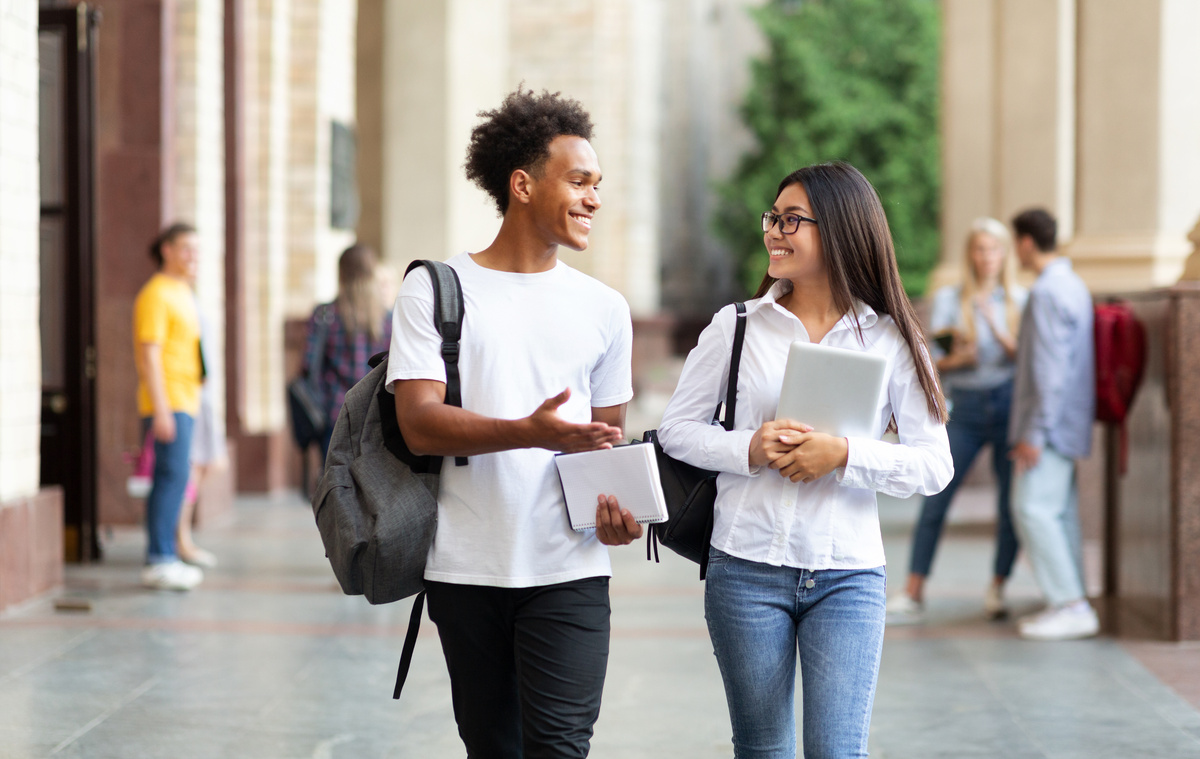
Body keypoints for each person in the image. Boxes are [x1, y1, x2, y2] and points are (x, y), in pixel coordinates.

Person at [658, 162, 953, 758]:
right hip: (745, 568)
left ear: (841, 229)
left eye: (792, 220)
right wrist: (749, 447)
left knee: (838, 752)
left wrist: (844, 455)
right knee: (762, 748)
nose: (774, 230)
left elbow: (933, 464)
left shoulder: (893, 339)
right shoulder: (736, 326)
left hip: (848, 573)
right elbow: (676, 432)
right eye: (772, 217)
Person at [387, 88, 643, 758]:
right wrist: (529, 430)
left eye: (598, 184)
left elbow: (604, 445)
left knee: (560, 748)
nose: (594, 198)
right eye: (580, 180)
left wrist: (618, 512)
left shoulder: (605, 308)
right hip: (466, 570)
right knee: (493, 747)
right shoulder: (434, 289)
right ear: (522, 184)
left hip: (570, 571)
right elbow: (419, 424)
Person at [887, 217, 1027, 624]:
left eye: (994, 249)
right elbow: (932, 360)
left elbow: (1029, 360)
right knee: (935, 497)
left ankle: (998, 588)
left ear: (1005, 255)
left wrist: (999, 330)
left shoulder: (1021, 299)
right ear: (970, 253)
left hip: (1006, 406)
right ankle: (913, 590)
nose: (987, 257)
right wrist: (958, 359)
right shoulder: (950, 299)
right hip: (964, 406)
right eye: (980, 249)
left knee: (1008, 504)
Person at [1007, 208, 1098, 641]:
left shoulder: (1045, 292)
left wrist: (1033, 434)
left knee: (1033, 509)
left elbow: (1049, 372)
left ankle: (1071, 605)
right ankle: (1070, 600)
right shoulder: (1073, 284)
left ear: (1026, 242)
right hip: (1069, 421)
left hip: (1051, 427)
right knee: (1057, 513)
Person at [133, 222, 205, 591]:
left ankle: (166, 556)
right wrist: (161, 409)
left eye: (197, 249)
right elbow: (150, 354)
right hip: (168, 402)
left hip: (185, 400)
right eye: (186, 248)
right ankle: (160, 558)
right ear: (167, 250)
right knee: (169, 479)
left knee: (176, 479)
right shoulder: (156, 294)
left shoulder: (182, 292)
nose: (194, 256)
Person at [302, 243, 393, 462]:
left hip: (335, 416)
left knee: (335, 488)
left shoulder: (325, 315)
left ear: (341, 273)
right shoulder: (389, 319)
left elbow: (308, 366)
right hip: (377, 419)